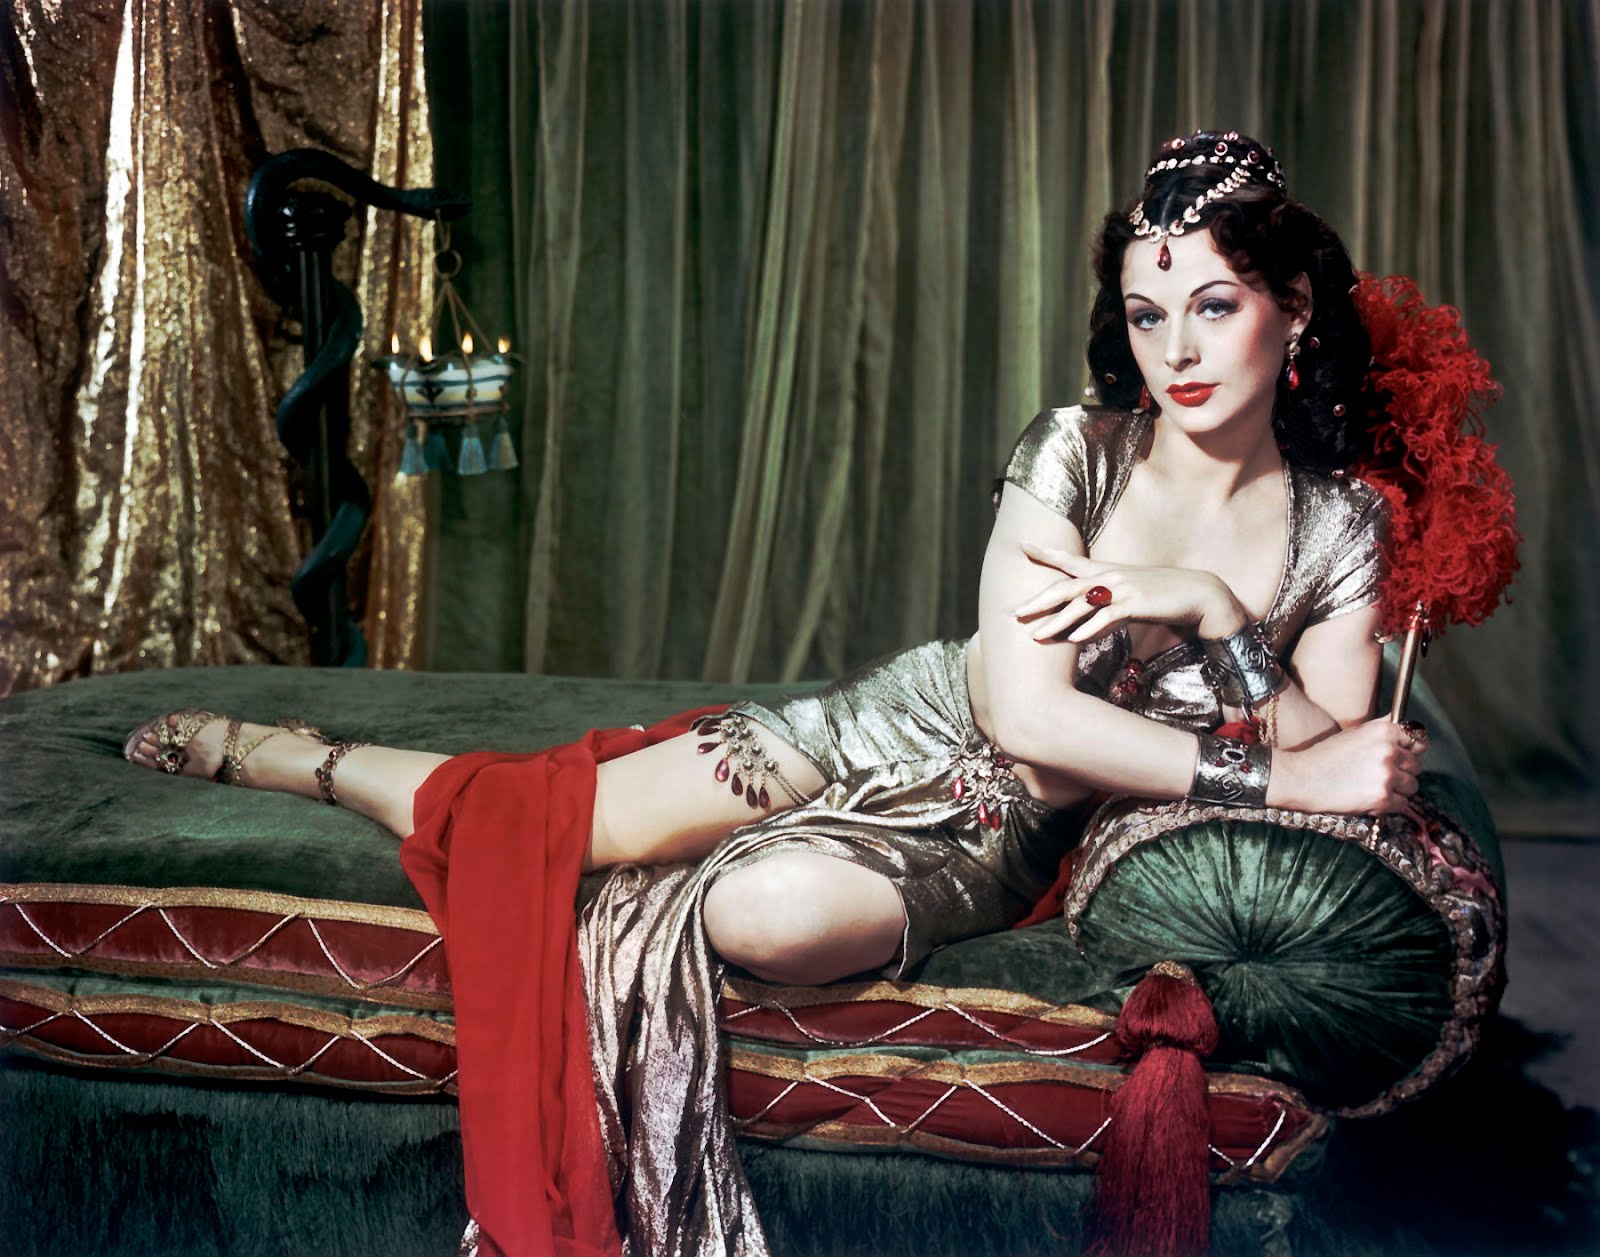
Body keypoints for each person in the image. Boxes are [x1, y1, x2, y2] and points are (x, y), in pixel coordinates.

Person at [125, 131, 1427, 1256]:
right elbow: (1031, 716)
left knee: (761, 909)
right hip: (904, 722)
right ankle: (302, 759)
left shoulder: (1342, 529)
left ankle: (673, 851)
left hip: (995, 833)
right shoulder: (1076, 450)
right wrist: (1270, 764)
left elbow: (1343, 753)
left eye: (1214, 305)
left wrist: (1218, 614)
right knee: (559, 816)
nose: (1177, 350)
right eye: (1148, 315)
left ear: (1295, 306)